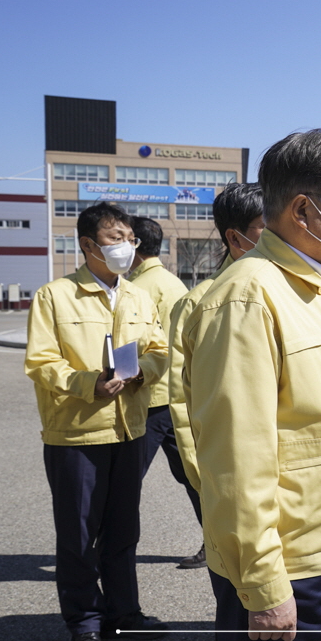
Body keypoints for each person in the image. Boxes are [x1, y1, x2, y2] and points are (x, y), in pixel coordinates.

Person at [182, 130, 321, 641]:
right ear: (303, 210)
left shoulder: (320, 287)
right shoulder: (247, 297)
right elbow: (235, 460)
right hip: (290, 565)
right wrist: (264, 582)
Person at [24, 201, 170, 641]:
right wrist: (91, 383)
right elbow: (42, 363)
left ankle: (123, 613)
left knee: (124, 530)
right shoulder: (54, 296)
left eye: (129, 238)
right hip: (76, 435)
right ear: (87, 245)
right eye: (115, 238)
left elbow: (158, 348)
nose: (127, 246)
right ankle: (84, 624)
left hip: (130, 429)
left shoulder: (138, 297)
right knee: (78, 534)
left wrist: (143, 373)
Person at [167, 183, 266, 571]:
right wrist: (208, 486)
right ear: (235, 237)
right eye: (265, 226)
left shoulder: (303, 292)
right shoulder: (201, 303)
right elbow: (185, 407)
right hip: (236, 494)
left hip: (297, 499)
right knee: (242, 613)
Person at [125, 216, 203, 568]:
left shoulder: (138, 289)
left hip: (150, 398)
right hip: (179, 395)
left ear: (136, 245)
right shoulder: (173, 283)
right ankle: (214, 544)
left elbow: (129, 344)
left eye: (123, 238)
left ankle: (111, 553)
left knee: (123, 482)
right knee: (194, 477)